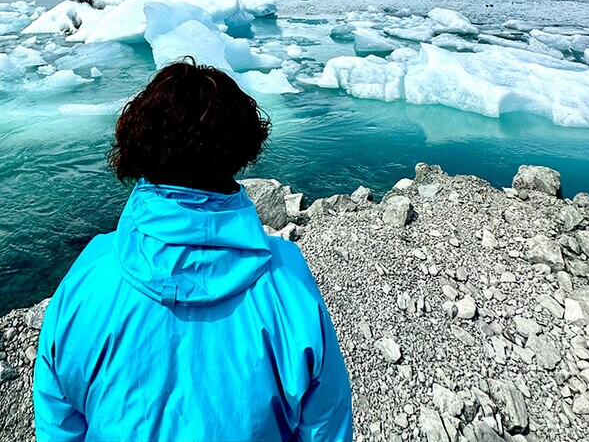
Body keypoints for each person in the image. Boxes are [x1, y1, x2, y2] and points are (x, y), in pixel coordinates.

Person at [33, 59, 353, 442]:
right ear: (242, 151)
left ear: (139, 149)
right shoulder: (287, 280)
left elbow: (58, 420)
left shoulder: (90, 275)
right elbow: (325, 427)